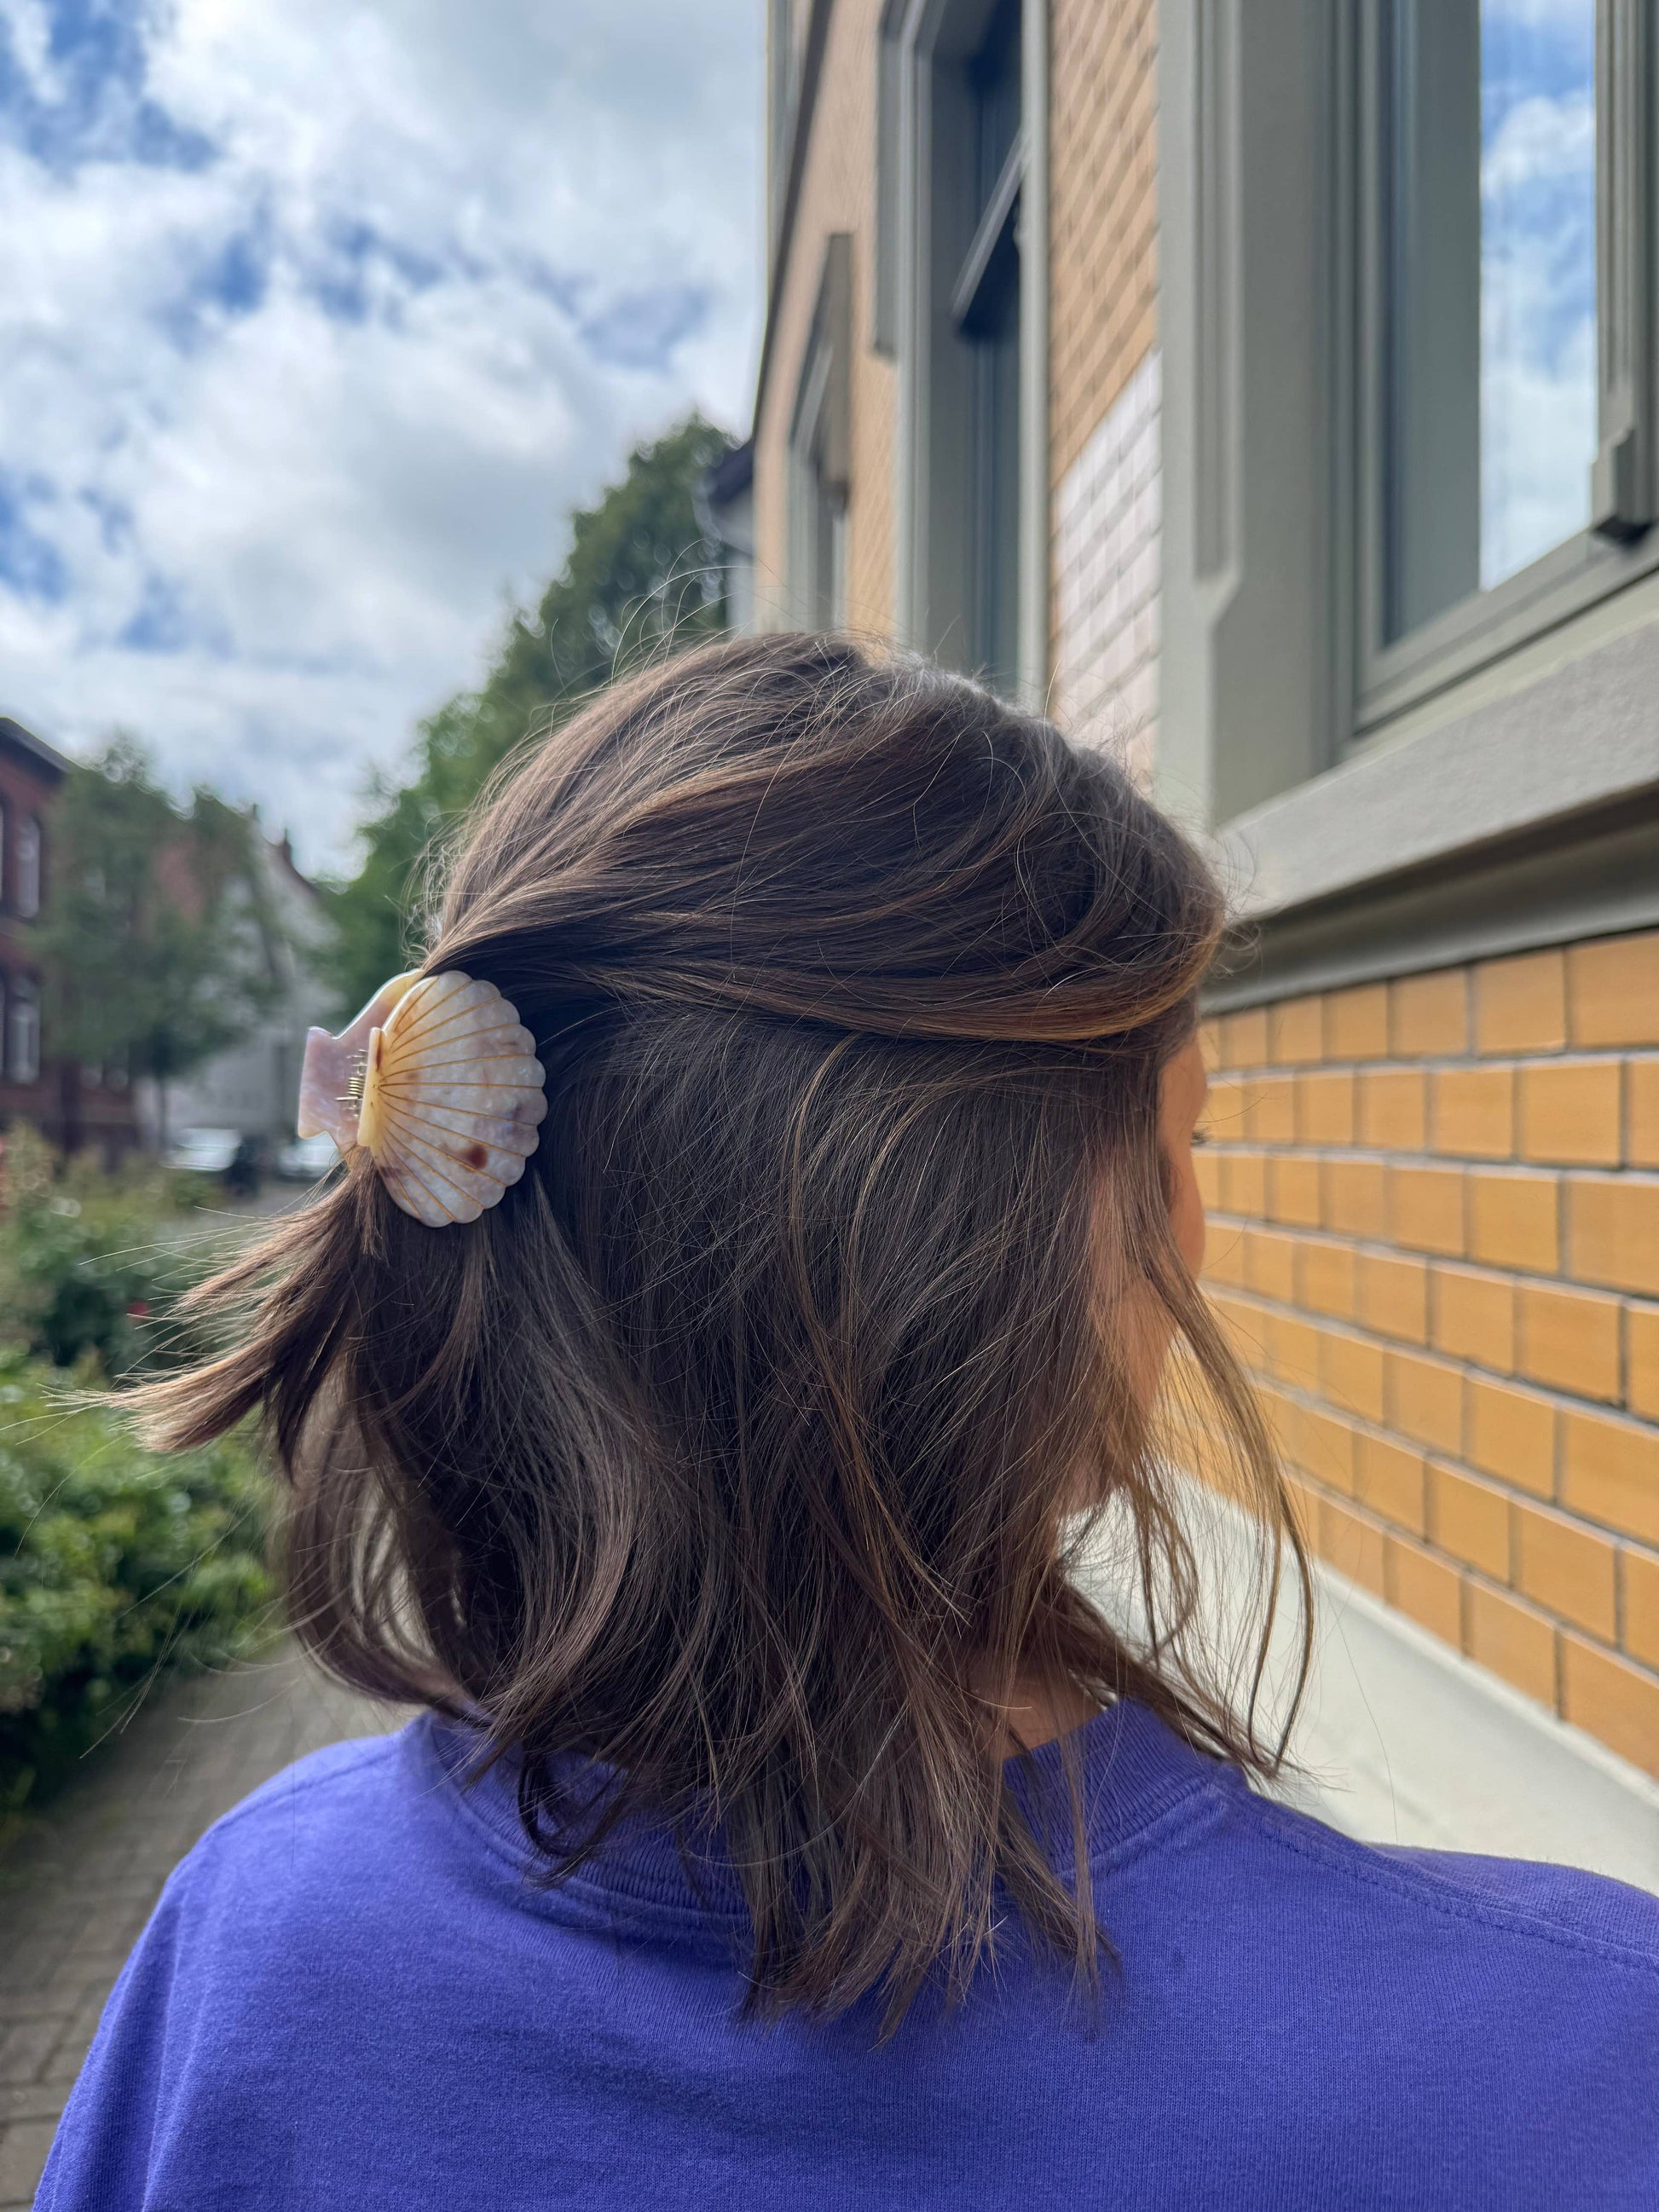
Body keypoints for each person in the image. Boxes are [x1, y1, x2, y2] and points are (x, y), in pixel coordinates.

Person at [38, 636, 1657, 2209]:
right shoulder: (1567, 2065)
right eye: (1182, 1144)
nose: (1193, 1235)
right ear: (1010, 1242)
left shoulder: (252, 1955)